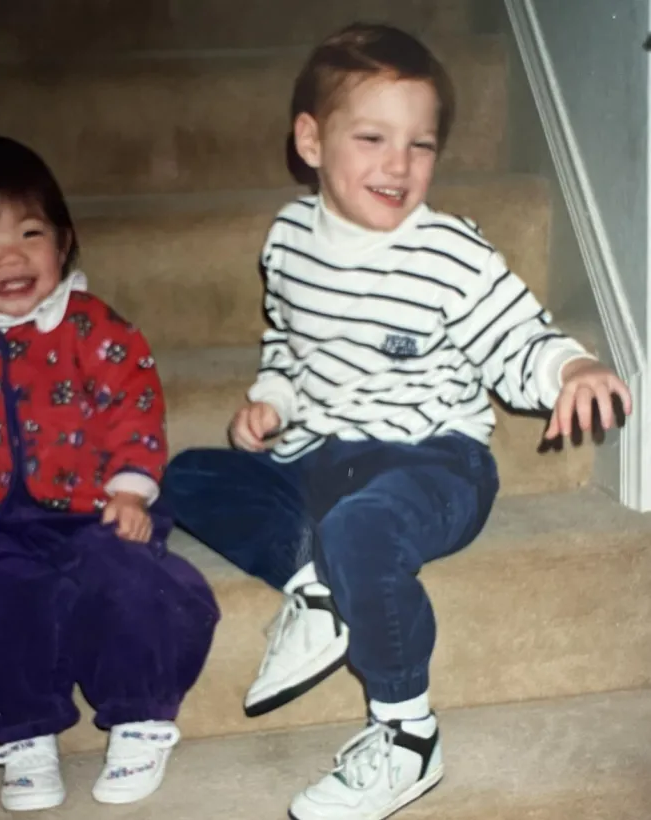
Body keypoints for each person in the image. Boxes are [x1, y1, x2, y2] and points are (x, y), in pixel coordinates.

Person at [161, 23, 631, 820]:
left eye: (422, 145)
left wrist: (570, 368)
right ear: (310, 141)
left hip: (435, 463)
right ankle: (315, 582)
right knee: (188, 475)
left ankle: (407, 736)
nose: (400, 164)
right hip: (324, 453)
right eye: (373, 137)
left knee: (362, 532)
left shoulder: (450, 253)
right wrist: (273, 400)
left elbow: (517, 337)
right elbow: (289, 343)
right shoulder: (286, 241)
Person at [0, 136, 219, 812]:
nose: (13, 254)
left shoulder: (92, 326)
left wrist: (130, 488)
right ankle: (25, 734)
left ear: (64, 241)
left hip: (98, 506)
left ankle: (140, 713)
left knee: (132, 578)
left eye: (31, 232)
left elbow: (132, 406)